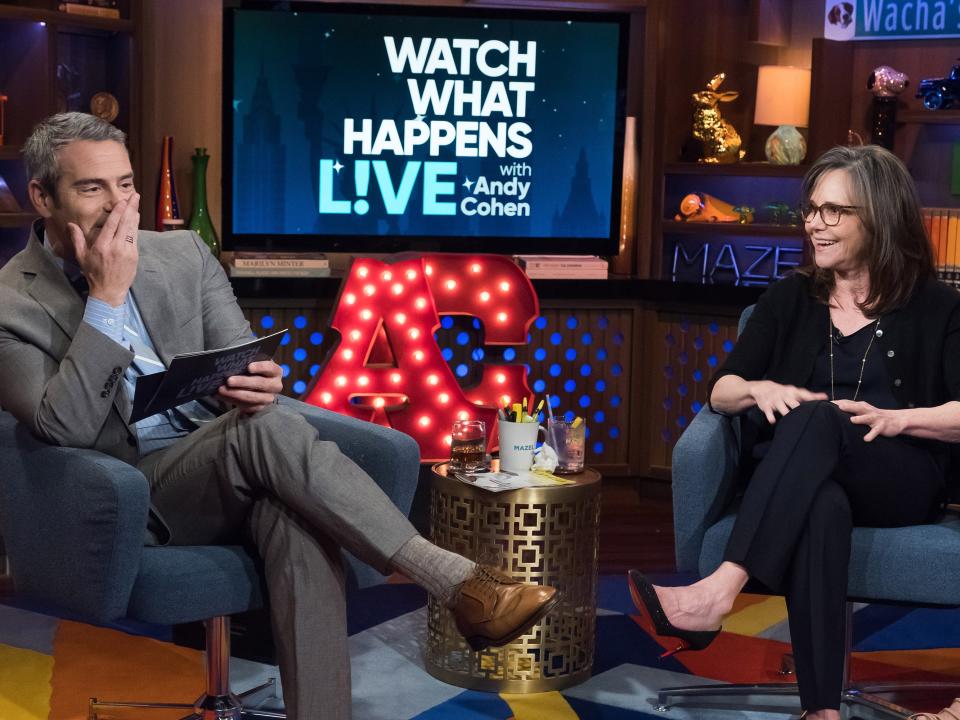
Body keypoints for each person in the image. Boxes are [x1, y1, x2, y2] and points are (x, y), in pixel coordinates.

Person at [0, 112, 559, 720]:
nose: (118, 207)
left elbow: (238, 358)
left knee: (292, 513)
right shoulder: (11, 303)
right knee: (266, 432)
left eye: (126, 184)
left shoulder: (182, 253)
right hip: (127, 494)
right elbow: (66, 428)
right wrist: (107, 298)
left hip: (228, 461)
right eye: (92, 188)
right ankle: (454, 581)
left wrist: (254, 381)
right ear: (41, 196)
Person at [628, 144, 960, 720]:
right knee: (822, 502)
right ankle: (821, 710)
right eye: (811, 208)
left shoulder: (937, 307)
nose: (814, 223)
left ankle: (718, 591)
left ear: (878, 217)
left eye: (834, 211)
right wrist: (759, 389)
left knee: (816, 417)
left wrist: (897, 419)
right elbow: (718, 390)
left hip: (899, 475)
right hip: (806, 480)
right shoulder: (791, 297)